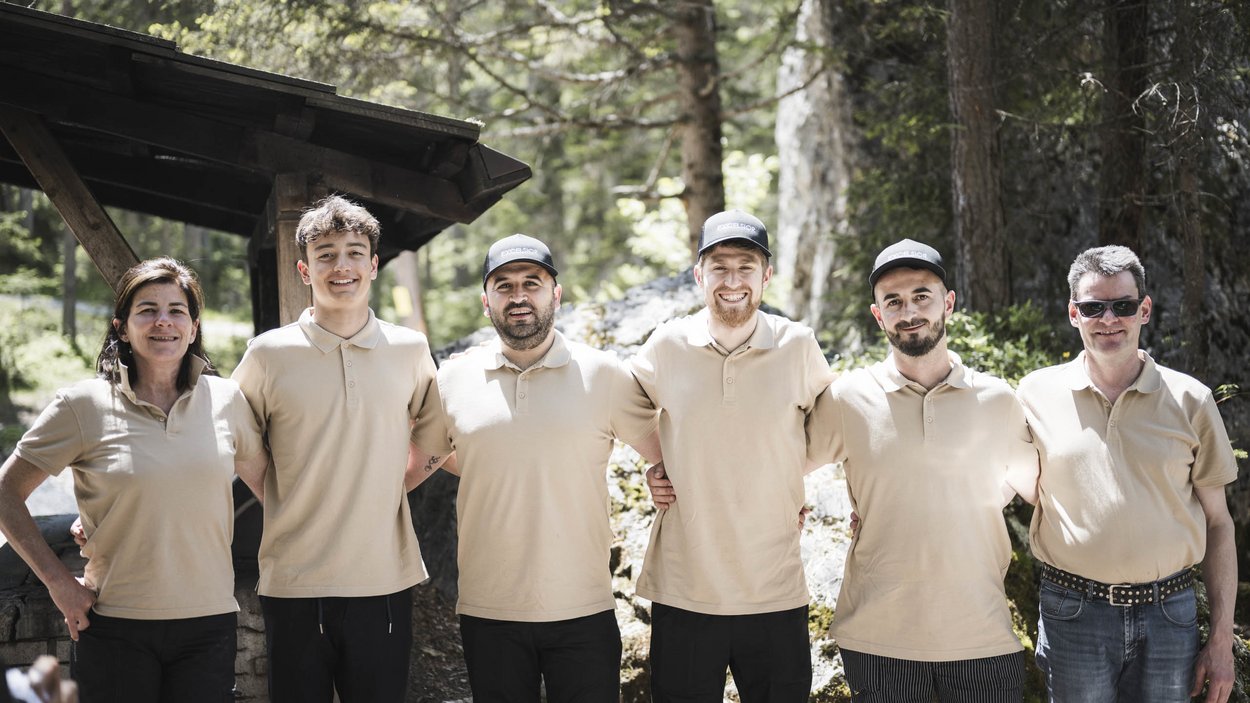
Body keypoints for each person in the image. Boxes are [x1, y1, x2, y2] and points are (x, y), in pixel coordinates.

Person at [0, 257, 267, 703]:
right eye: (147, 310)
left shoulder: (228, 400)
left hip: (209, 625)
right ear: (122, 327)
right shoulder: (81, 405)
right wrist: (59, 584)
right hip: (113, 625)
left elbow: (273, 492)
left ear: (194, 326)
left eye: (176, 310)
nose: (163, 321)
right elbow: (6, 493)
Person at [409, 234, 661, 702]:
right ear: (486, 302)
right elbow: (417, 464)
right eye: (503, 286)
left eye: (532, 282)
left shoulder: (604, 374)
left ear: (556, 294)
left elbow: (669, 454)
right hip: (489, 611)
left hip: (583, 609)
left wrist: (660, 476)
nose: (519, 295)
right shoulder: (453, 380)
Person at [807, 239, 1038, 701]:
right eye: (893, 301)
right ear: (878, 315)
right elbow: (782, 464)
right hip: (879, 641)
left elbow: (1039, 487)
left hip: (982, 638)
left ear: (948, 303)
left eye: (921, 296)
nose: (908, 311)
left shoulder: (997, 398)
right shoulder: (848, 397)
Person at [230, 195, 439, 702]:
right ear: (304, 269)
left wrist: (388, 485)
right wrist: (279, 492)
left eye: (353, 252)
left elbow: (434, 437)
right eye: (325, 254)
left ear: (373, 265)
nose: (340, 266)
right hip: (294, 581)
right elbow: (238, 438)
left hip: (383, 580)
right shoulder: (267, 354)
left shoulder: (410, 350)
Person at [628, 210, 834, 702]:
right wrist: (658, 462)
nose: (733, 280)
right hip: (685, 587)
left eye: (747, 267)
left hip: (774, 589)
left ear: (766, 276)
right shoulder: (668, 345)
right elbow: (621, 408)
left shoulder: (797, 345)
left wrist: (784, 476)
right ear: (700, 275)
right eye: (719, 267)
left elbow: (833, 425)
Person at [1018, 245, 1237, 703]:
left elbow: (1218, 523)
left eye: (1122, 305)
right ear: (1074, 314)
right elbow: (1000, 479)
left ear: (1144, 309)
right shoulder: (1035, 393)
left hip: (1169, 616)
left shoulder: (1191, 400)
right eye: (1094, 307)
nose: (1109, 319)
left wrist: (1220, 641)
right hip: (1072, 612)